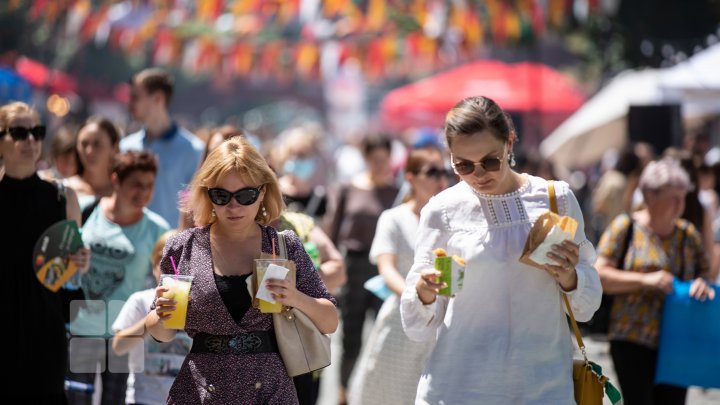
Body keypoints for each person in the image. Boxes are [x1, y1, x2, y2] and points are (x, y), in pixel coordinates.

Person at [400, 96, 602, 404]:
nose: (478, 175)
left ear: (509, 143)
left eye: (490, 161)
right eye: (463, 165)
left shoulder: (556, 199)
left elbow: (588, 306)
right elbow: (417, 326)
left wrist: (570, 276)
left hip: (543, 387)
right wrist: (425, 291)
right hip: (458, 386)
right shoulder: (441, 211)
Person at [145, 136, 338, 404]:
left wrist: (293, 297)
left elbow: (330, 320)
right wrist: (162, 314)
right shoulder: (182, 248)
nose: (233, 206)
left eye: (245, 195)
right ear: (207, 195)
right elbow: (161, 333)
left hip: (269, 390)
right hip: (202, 389)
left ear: (262, 193)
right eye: (221, 195)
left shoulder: (283, 245)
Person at [595, 157, 715, 405]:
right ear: (650, 196)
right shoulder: (624, 227)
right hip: (631, 339)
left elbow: (706, 273)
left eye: (683, 197)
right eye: (673, 198)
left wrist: (703, 284)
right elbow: (599, 275)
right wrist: (647, 281)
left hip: (677, 338)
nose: (680, 204)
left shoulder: (686, 234)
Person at [0, 101, 90, 403]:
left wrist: (80, 263)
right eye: (19, 132)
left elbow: (71, 277)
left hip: (45, 332)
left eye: (37, 132)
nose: (30, 140)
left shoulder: (63, 198)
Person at [67, 151, 170, 405]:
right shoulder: (86, 210)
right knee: (75, 400)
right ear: (116, 181)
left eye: (149, 186)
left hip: (123, 336)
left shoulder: (158, 229)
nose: (143, 193)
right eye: (136, 184)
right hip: (81, 329)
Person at [349, 147, 449, 405]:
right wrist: (414, 296)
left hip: (444, 318)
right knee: (390, 393)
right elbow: (386, 267)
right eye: (432, 172)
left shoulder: (450, 219)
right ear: (410, 177)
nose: (441, 179)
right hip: (401, 317)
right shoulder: (394, 218)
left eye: (444, 172)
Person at [322, 134, 399, 403]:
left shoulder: (396, 193)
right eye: (374, 159)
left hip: (385, 267)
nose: (380, 164)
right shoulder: (349, 189)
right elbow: (332, 231)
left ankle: (379, 392)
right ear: (366, 159)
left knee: (385, 332)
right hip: (354, 266)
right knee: (351, 338)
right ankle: (343, 391)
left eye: (384, 159)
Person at [111, 229, 191, 405]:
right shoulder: (140, 300)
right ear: (154, 266)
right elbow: (119, 346)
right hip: (144, 398)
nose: (173, 269)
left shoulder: (196, 301)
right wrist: (151, 320)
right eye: (165, 264)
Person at [121, 67, 204, 227]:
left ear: (158, 98)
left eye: (135, 97)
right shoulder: (126, 146)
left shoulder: (193, 149)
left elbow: (196, 207)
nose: (129, 103)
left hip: (170, 246)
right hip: (130, 241)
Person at [66, 116, 121, 211]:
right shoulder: (65, 190)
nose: (89, 151)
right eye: (84, 144)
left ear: (114, 148)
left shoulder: (123, 192)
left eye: (97, 144)